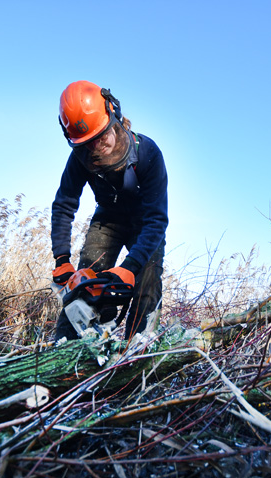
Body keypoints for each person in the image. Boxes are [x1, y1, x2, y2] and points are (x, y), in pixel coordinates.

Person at [51, 80, 168, 341]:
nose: (97, 148)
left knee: (147, 281)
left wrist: (131, 266)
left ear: (113, 116)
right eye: (88, 144)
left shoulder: (148, 154)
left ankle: (137, 353)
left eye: (102, 137)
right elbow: (64, 204)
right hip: (108, 219)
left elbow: (157, 220)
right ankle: (64, 350)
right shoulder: (81, 158)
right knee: (84, 284)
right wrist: (61, 260)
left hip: (144, 223)